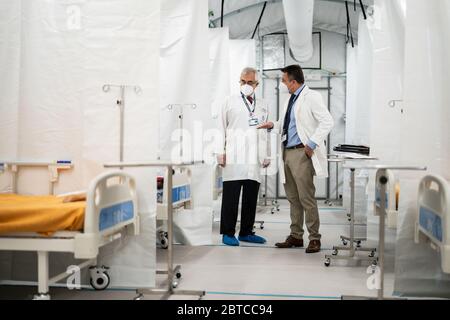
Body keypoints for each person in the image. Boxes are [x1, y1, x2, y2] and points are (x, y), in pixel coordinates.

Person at [258, 64, 334, 253]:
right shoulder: (291, 99)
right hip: (287, 152)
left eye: (284, 81)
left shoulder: (312, 97)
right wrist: (272, 124)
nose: (283, 84)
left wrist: (312, 143)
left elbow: (328, 121)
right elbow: (288, 125)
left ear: (293, 81)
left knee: (306, 197)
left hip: (302, 152)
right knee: (292, 197)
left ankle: (314, 238)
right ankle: (296, 235)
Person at [217, 67, 270, 246]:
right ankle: (228, 232)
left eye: (250, 82)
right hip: (234, 155)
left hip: (254, 157)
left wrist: (266, 154)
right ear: (239, 82)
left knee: (251, 196)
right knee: (231, 197)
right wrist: (220, 152)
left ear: (257, 84)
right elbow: (220, 128)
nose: (246, 85)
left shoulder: (263, 104)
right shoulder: (229, 101)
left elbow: (265, 132)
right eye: (243, 82)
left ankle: (246, 231)